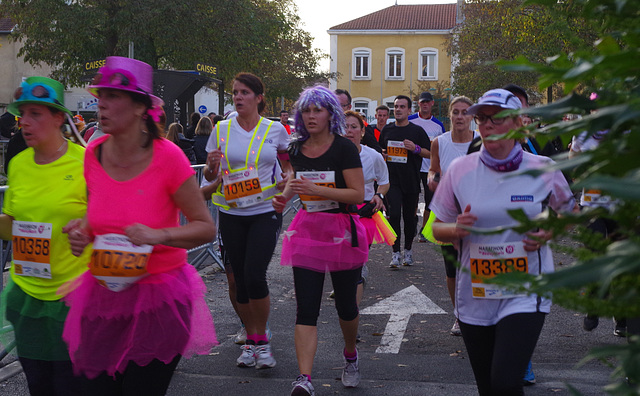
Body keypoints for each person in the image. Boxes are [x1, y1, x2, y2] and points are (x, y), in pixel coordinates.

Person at [62, 56, 217, 395]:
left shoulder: (168, 157)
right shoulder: (94, 152)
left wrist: (159, 235)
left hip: (158, 300)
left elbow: (206, 228)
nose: (100, 103)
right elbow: (98, 211)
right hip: (103, 295)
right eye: (100, 95)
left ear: (139, 108)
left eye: (113, 96)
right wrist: (82, 231)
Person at [430, 88, 576, 396]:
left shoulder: (543, 169)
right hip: (476, 294)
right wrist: (456, 229)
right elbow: (436, 228)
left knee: (506, 382)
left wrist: (548, 231)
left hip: (525, 290)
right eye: (482, 119)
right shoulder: (460, 170)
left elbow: (570, 213)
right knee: (488, 387)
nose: (487, 125)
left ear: (518, 123)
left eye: (497, 118)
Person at [272, 85, 368, 396]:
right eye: (306, 111)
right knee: (306, 308)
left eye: (318, 110)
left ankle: (350, 355)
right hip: (308, 231)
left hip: (341, 229)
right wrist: (283, 197)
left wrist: (318, 190)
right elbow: (293, 181)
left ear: (330, 114)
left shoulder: (344, 148)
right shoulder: (296, 148)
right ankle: (304, 378)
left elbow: (357, 194)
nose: (311, 116)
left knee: (345, 307)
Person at [0, 77, 88, 396]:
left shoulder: (84, 163)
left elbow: (108, 224)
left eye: (36, 113)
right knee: (38, 385)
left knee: (68, 386)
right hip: (26, 295)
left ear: (58, 118)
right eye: (22, 113)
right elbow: (13, 222)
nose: (24, 121)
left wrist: (86, 229)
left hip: (72, 295)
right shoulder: (20, 164)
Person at [203, 72, 291, 369]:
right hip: (231, 212)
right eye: (235, 93)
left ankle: (262, 342)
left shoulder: (276, 130)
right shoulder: (221, 129)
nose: (238, 97)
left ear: (258, 97)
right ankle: (253, 339)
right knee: (239, 280)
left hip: (264, 211)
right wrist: (212, 168)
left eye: (244, 92)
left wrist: (287, 183)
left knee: (255, 275)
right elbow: (210, 175)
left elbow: (289, 167)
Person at [426, 95, 477, 337]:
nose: (459, 116)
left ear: (472, 116)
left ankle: (478, 313)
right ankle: (459, 315)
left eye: (464, 112)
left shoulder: (481, 141)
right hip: (448, 215)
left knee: (477, 265)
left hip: (477, 214)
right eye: (455, 112)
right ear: (450, 114)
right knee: (452, 268)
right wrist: (432, 180)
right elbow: (433, 170)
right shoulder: (439, 142)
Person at [343, 110, 389, 311]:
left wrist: (379, 196)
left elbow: (385, 182)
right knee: (343, 261)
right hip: (338, 212)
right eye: (345, 126)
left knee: (356, 265)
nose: (349, 131)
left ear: (362, 131)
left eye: (354, 127)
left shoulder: (373, 156)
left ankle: (352, 312)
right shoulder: (331, 155)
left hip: (364, 212)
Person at [379, 95, 431, 268]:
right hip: (392, 180)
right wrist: (383, 155)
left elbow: (430, 153)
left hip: (411, 180)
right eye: (396, 106)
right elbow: (381, 151)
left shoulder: (417, 131)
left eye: (402, 106)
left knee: (409, 218)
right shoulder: (387, 130)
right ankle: (395, 253)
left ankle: (408, 249)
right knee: (393, 215)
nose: (398, 109)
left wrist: (415, 149)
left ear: (409, 110)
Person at [408, 91, 445, 243]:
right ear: (418, 103)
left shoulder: (438, 125)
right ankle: (412, 225)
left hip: (431, 168)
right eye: (422, 102)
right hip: (412, 166)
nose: (424, 104)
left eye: (427, 102)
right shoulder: (411, 120)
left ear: (432, 104)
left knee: (430, 200)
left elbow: (442, 147)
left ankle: (424, 230)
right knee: (412, 199)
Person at [335, 89, 381, 153]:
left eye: (341, 105)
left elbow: (377, 150)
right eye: (334, 105)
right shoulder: (324, 126)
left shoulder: (360, 125)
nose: (337, 108)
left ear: (349, 107)